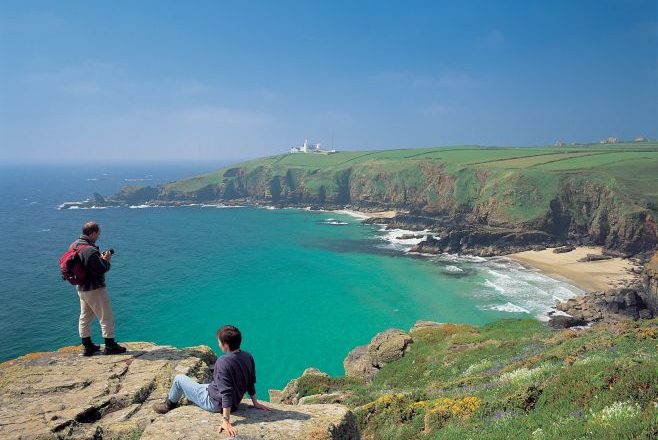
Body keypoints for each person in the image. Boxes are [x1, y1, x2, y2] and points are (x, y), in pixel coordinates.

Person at [153, 325, 270, 437]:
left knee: (179, 379)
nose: (218, 344)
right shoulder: (248, 356)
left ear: (225, 345)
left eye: (219, 342)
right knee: (202, 385)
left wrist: (226, 421)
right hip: (234, 401)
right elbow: (250, 381)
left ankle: (169, 405)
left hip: (214, 403)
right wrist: (255, 403)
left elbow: (226, 392)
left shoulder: (223, 362)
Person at [73, 221, 126, 356]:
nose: (98, 236)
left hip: (82, 288)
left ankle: (88, 346)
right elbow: (100, 269)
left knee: (85, 317)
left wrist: (99, 259)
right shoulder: (89, 250)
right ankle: (110, 346)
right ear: (94, 232)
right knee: (106, 317)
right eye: (98, 234)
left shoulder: (75, 245)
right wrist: (106, 260)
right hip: (94, 288)